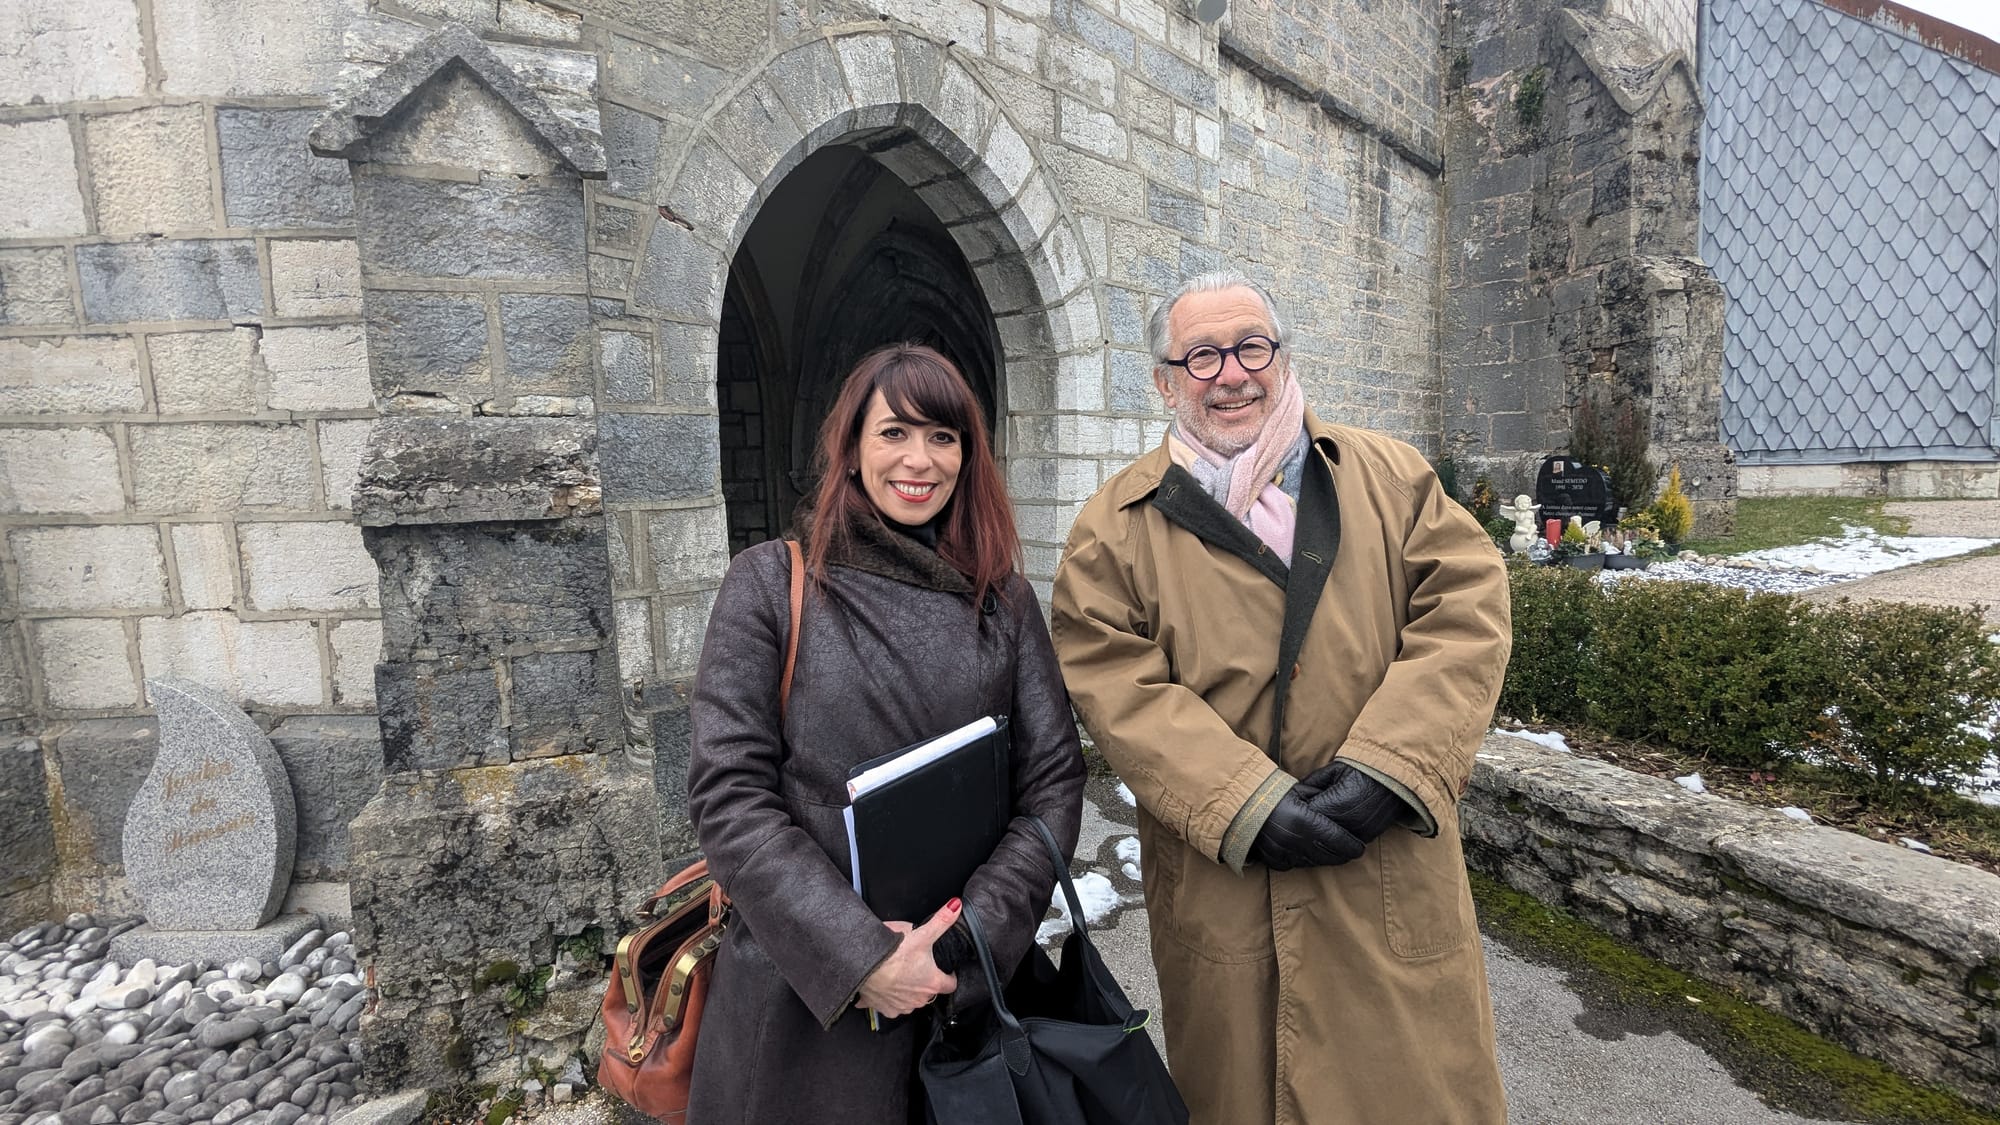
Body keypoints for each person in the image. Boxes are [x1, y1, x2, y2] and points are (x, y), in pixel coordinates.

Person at [1050, 272, 1512, 1124]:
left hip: (1384, 877)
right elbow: (1115, 682)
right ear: (1165, 381)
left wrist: (1390, 767)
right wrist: (1246, 803)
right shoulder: (1113, 529)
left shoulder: (1390, 479)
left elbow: (1466, 610)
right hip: (1228, 894)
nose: (1231, 373)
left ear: (1283, 356)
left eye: (1250, 347)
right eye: (1201, 356)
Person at [685, 343, 1086, 1124]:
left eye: (943, 437)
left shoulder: (1002, 599)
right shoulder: (771, 581)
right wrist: (860, 955)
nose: (919, 459)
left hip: (964, 991)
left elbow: (1054, 782)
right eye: (894, 432)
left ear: (968, 455)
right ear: (852, 447)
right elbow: (730, 794)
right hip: (806, 1000)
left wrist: (964, 940)